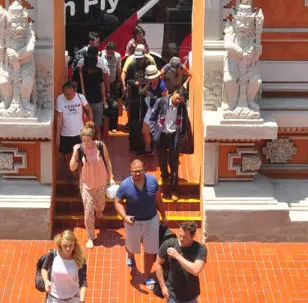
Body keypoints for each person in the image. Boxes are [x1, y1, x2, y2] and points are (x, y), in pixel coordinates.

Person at [114, 159, 167, 290]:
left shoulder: (153, 181)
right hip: (133, 223)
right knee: (132, 247)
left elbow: (158, 199)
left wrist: (164, 216)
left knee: (150, 251)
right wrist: (125, 216)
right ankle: (130, 256)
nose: (137, 174)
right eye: (134, 172)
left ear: (144, 170)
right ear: (130, 171)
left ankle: (147, 275)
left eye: (140, 171)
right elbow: (117, 202)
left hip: (151, 221)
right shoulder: (124, 185)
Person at [69, 124, 115, 248]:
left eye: (88, 140)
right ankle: (90, 236)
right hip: (86, 184)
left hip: (100, 182)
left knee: (101, 205)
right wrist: (74, 152)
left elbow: (108, 161)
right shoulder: (80, 149)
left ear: (92, 138)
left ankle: (99, 211)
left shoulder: (100, 145)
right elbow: (72, 167)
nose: (86, 143)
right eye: (84, 140)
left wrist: (111, 177)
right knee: (88, 211)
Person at [148, 87, 191, 200]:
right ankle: (165, 177)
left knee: (174, 163)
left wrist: (183, 135)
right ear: (175, 93)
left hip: (174, 136)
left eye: (181, 100)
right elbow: (152, 119)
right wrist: (154, 132)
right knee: (162, 161)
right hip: (161, 135)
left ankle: (173, 190)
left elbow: (185, 120)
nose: (178, 101)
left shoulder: (181, 107)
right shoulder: (161, 102)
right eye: (178, 98)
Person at [156, 221, 207, 303]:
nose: (181, 239)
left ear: (193, 236)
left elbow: (196, 270)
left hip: (191, 295)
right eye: (180, 236)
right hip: (172, 294)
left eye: (184, 237)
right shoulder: (169, 244)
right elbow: (158, 264)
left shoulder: (200, 249)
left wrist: (178, 256)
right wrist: (163, 287)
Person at [56, 80, 92, 179]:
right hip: (65, 133)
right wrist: (57, 134)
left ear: (75, 91)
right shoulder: (60, 99)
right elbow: (59, 117)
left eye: (71, 94)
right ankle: (72, 172)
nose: (69, 96)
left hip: (79, 133)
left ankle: (79, 176)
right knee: (66, 156)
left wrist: (90, 127)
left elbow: (88, 110)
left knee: (81, 156)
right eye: (66, 94)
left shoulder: (81, 97)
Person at [40, 229, 88, 303]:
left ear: (74, 244)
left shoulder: (80, 260)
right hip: (53, 298)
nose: (68, 249)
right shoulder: (52, 255)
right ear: (60, 244)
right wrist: (46, 281)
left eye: (70, 245)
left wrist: (81, 301)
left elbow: (83, 282)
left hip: (73, 299)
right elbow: (44, 269)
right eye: (65, 246)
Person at [76, 48, 108, 138]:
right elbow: (74, 86)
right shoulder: (79, 72)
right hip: (85, 103)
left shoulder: (98, 71)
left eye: (92, 68)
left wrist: (104, 99)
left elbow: (102, 86)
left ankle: (98, 146)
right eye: (89, 68)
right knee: (86, 127)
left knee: (97, 126)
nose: (90, 70)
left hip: (97, 101)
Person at [140, 64, 168, 154]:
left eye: (152, 77)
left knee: (157, 132)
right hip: (150, 108)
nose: (151, 79)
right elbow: (144, 91)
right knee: (145, 131)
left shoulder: (162, 86)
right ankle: (147, 149)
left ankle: (157, 150)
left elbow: (166, 100)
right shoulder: (150, 83)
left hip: (158, 111)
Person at [103, 41, 124, 129]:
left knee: (114, 104)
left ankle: (113, 125)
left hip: (113, 83)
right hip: (103, 84)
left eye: (111, 53)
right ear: (105, 50)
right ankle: (104, 125)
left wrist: (119, 81)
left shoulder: (117, 56)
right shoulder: (101, 55)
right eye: (108, 52)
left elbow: (118, 69)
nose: (109, 55)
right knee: (104, 104)